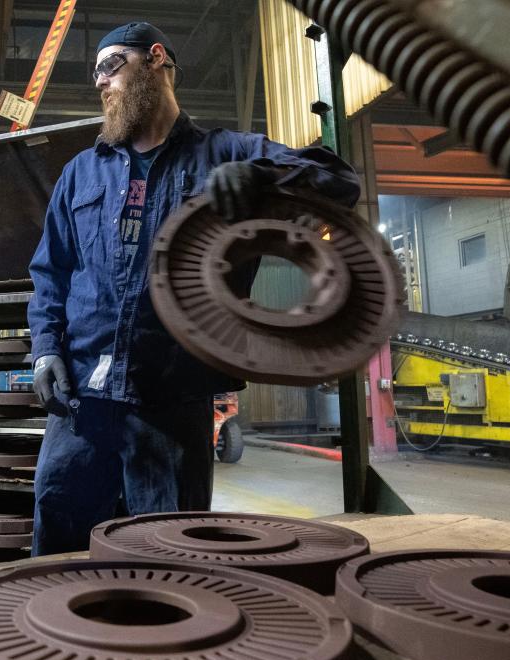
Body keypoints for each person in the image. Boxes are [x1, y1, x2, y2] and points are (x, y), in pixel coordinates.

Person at [26, 21, 361, 555]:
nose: (100, 82)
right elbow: (51, 274)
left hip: (172, 398)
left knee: (168, 553)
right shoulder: (81, 174)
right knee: (60, 535)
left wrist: (263, 180)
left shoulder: (226, 154)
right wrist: (45, 350)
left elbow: (341, 185)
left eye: (111, 65)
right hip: (82, 399)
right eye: (95, 74)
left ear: (156, 59)